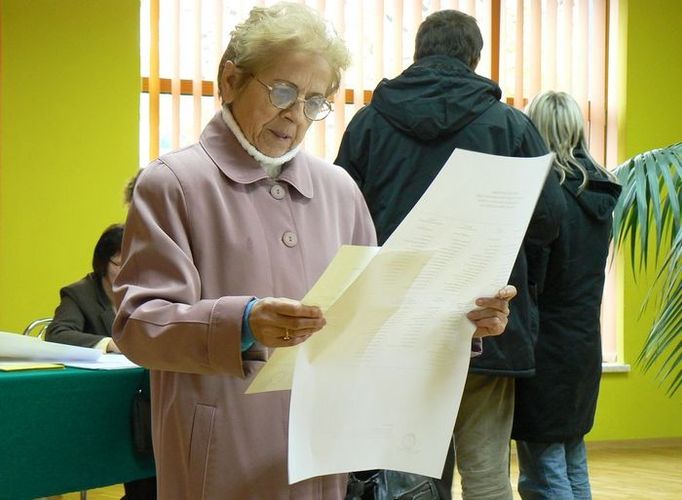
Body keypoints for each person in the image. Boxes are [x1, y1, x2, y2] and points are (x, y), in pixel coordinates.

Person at [112, 3, 517, 499]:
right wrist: (243, 322)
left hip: (323, 450)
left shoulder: (340, 190)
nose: (295, 114)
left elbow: (377, 320)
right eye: (282, 91)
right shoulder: (173, 183)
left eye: (314, 101)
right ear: (231, 79)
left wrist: (459, 323)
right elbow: (138, 324)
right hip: (220, 452)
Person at [335, 10, 566, 500]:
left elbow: (339, 223)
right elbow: (549, 221)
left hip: (396, 326)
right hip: (486, 318)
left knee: (412, 474)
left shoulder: (368, 124)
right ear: (475, 58)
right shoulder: (510, 126)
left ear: (417, 54)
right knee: (485, 473)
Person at [511, 91, 621, 499]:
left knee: (542, 469)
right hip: (583, 343)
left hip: (544, 345)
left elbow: (534, 279)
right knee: (572, 457)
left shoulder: (545, 197)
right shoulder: (601, 192)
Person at [45, 223, 158, 499]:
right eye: (122, 264)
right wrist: (109, 343)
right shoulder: (79, 293)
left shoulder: (150, 291)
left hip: (144, 393)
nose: (130, 274)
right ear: (103, 262)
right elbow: (57, 333)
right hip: (102, 402)